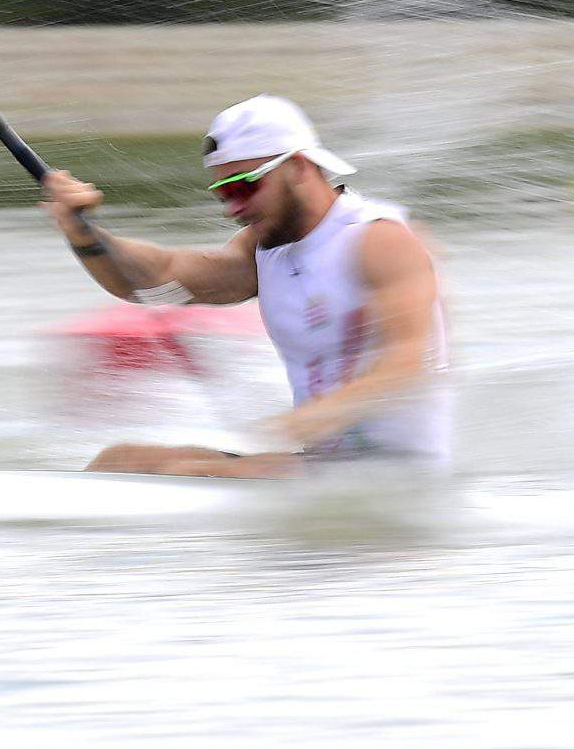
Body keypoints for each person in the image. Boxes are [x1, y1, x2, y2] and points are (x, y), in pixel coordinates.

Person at [44, 95, 448, 477]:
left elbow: (411, 361)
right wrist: (83, 233)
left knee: (184, 472)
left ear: (299, 167)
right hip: (321, 468)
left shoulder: (380, 239)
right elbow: (152, 280)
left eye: (244, 186)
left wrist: (305, 422)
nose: (233, 207)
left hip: (395, 473)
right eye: (223, 192)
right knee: (118, 460)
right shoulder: (261, 251)